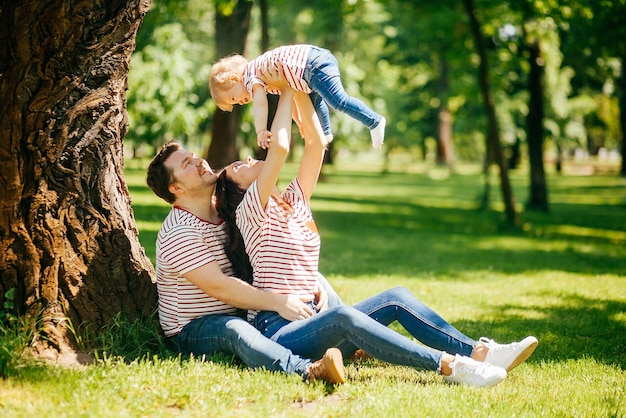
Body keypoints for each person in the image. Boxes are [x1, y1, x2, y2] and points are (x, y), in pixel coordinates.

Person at [215, 82, 538, 387]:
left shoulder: (294, 202)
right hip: (281, 330)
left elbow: (316, 143)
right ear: (237, 192)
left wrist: (297, 83)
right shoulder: (250, 214)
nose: (245, 160)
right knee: (342, 315)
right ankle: (450, 366)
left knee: (396, 297)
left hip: (315, 322)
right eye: (237, 168)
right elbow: (281, 148)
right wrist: (283, 85)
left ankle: (480, 352)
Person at [146, 137, 346, 382]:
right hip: (193, 328)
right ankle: (306, 370)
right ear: (176, 188)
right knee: (233, 329)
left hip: (240, 308)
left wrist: (306, 280)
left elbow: (265, 252)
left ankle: (352, 344)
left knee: (318, 280)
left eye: (195, 155)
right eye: (187, 163)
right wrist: (278, 302)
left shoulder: (226, 208)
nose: (200, 161)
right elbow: (220, 286)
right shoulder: (179, 231)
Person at [208, 44, 386, 149]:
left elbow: (261, 105)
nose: (240, 102)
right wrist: (301, 123)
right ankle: (325, 135)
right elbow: (291, 102)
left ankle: (374, 121)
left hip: (312, 65)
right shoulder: (263, 80)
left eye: (234, 98)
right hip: (308, 73)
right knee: (317, 103)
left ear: (234, 78)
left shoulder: (251, 76)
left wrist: (261, 130)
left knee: (338, 101)